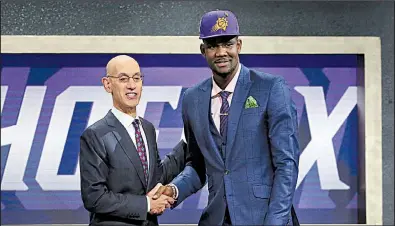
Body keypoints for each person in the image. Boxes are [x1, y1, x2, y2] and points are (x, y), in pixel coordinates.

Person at [154, 10, 300, 226]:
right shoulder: (192, 98)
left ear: (239, 45)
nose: (221, 52)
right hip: (216, 219)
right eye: (213, 45)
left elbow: (286, 163)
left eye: (227, 44)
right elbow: (197, 164)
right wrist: (174, 189)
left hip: (264, 219)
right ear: (203, 50)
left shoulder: (270, 88)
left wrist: (275, 221)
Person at [79, 55, 192, 226]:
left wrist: (188, 139)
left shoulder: (147, 129)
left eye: (137, 78)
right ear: (107, 84)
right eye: (123, 79)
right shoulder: (95, 135)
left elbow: (155, 176)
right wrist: (146, 204)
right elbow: (94, 197)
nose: (132, 85)